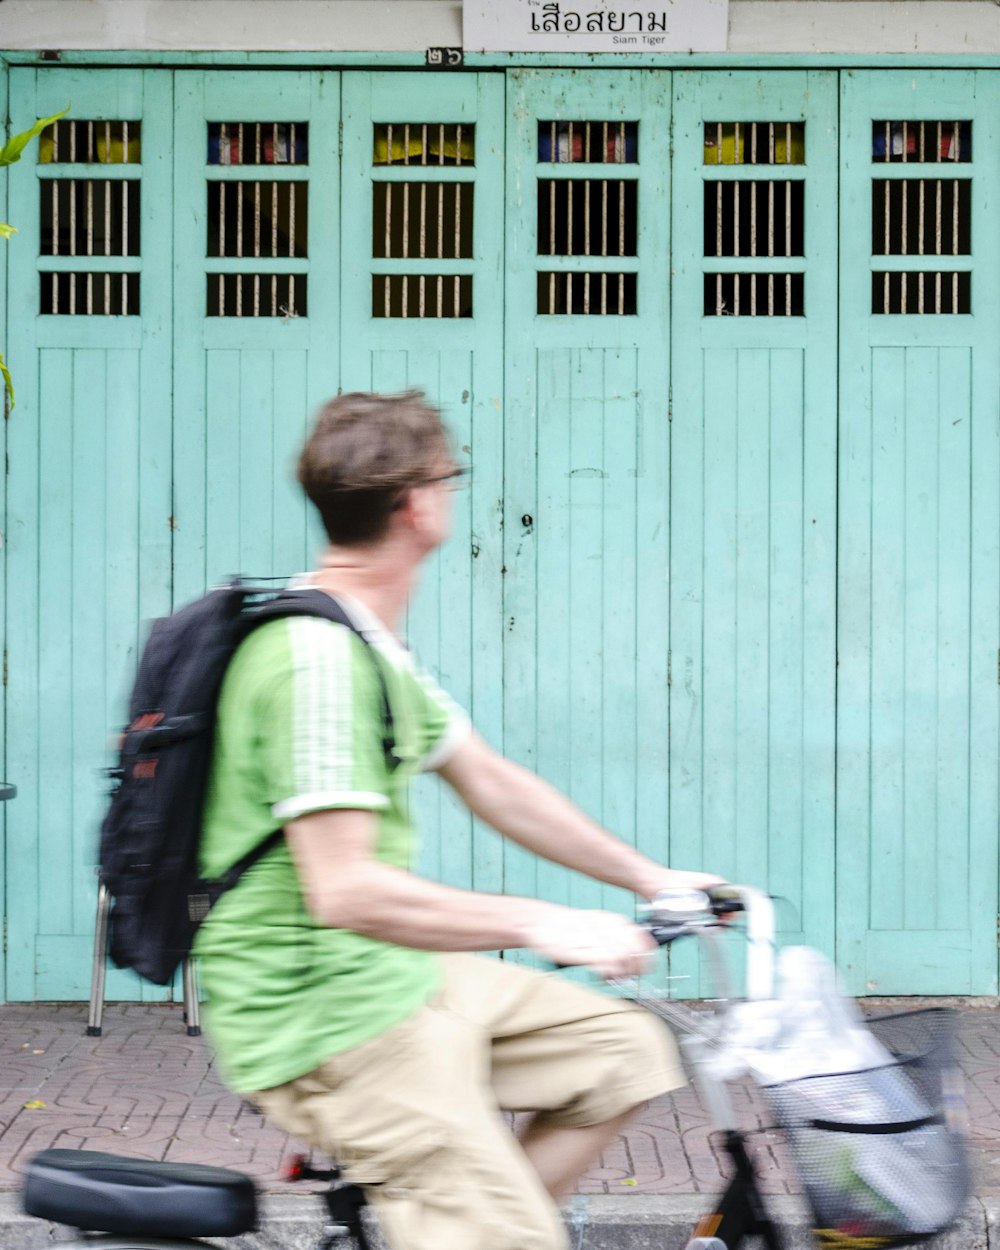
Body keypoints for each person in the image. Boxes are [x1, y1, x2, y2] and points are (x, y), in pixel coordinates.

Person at [194, 390, 726, 1250]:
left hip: (393, 978)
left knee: (623, 1051)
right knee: (511, 1238)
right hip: (324, 1015)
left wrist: (651, 880)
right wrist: (545, 919)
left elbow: (491, 781)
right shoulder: (317, 664)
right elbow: (345, 891)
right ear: (419, 503)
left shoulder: (366, 641)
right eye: (452, 476)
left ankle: (449, 1223)